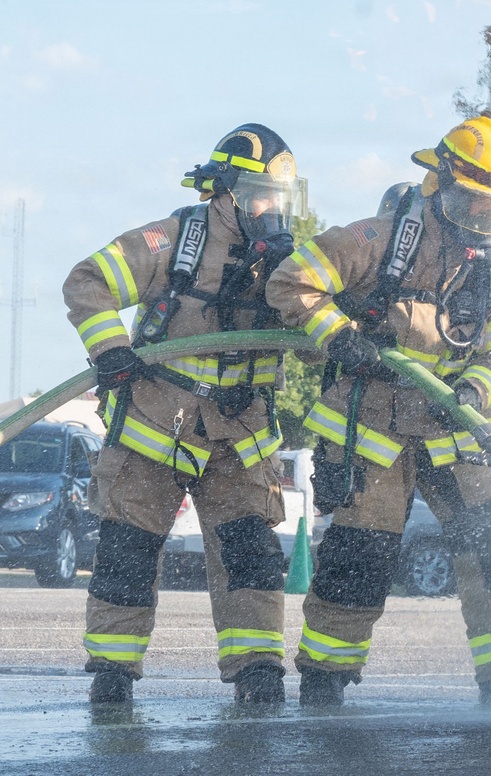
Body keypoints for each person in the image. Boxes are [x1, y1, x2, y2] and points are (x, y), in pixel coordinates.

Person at [266, 114, 491, 707]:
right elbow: (291, 284)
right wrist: (337, 335)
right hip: (373, 425)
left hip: (451, 426)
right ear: (439, 186)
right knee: (361, 555)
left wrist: (477, 391)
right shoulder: (377, 238)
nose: (485, 223)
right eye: (475, 205)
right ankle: (325, 679)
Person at [62, 123, 308, 705]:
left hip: (240, 434)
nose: (270, 210)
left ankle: (258, 673)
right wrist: (111, 351)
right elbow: (88, 280)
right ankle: (113, 675)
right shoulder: (170, 240)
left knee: (250, 553)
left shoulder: (288, 261)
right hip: (157, 423)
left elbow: (320, 324)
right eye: (257, 197)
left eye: (280, 199)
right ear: (222, 191)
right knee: (128, 549)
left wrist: (299, 282)